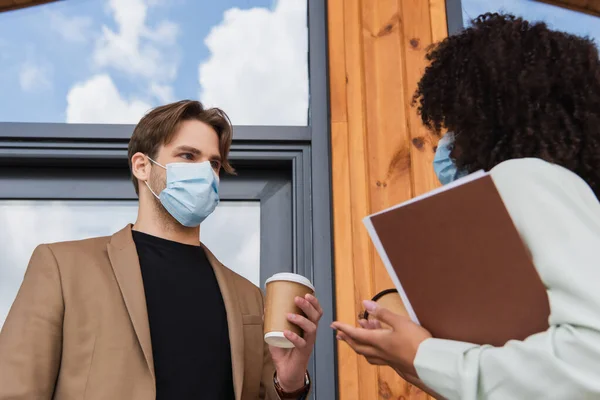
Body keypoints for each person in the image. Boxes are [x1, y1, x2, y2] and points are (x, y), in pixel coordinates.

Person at [332, 13, 600, 400]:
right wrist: (411, 359)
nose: (449, 145)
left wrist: (423, 355)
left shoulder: (525, 176)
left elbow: (589, 359)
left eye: (456, 123)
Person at [0, 100, 322, 400]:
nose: (206, 173)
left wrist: (291, 383)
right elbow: (15, 389)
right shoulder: (63, 267)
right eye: (187, 156)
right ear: (142, 166)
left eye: (213, 163)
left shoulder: (249, 296)